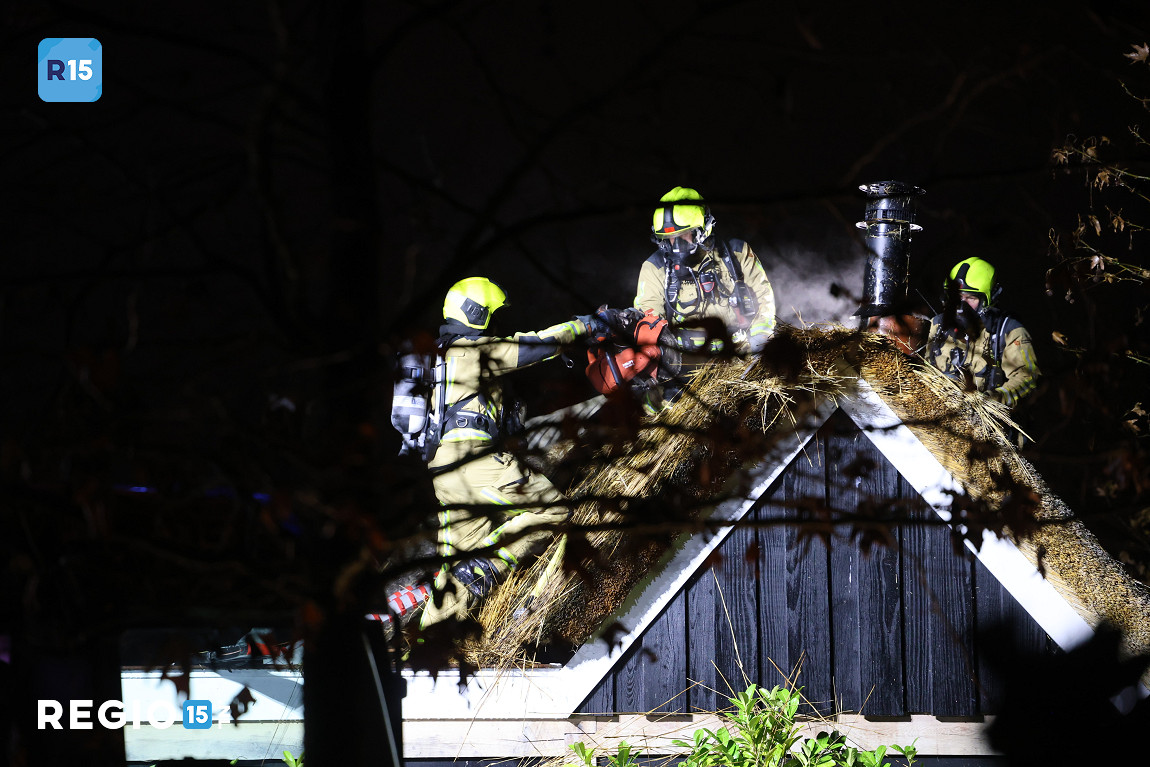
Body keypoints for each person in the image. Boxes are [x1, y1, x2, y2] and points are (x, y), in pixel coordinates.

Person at [418, 276, 604, 628]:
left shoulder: (440, 359)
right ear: (478, 315)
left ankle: (425, 645)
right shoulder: (473, 352)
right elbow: (533, 346)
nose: (497, 325)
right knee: (556, 512)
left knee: (454, 566)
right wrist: (586, 326)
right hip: (473, 461)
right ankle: (497, 572)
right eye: (493, 316)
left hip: (444, 472)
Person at [633, 187, 777, 377]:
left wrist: (759, 344)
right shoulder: (655, 268)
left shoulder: (736, 254)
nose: (675, 247)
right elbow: (648, 319)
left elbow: (763, 297)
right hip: (685, 366)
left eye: (682, 237)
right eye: (668, 240)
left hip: (738, 356)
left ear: (704, 229)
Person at [925, 256, 1040, 409]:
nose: (961, 306)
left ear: (988, 299)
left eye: (970, 298)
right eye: (956, 297)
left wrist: (990, 403)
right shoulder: (937, 325)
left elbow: (1027, 378)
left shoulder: (1008, 331)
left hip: (988, 426)